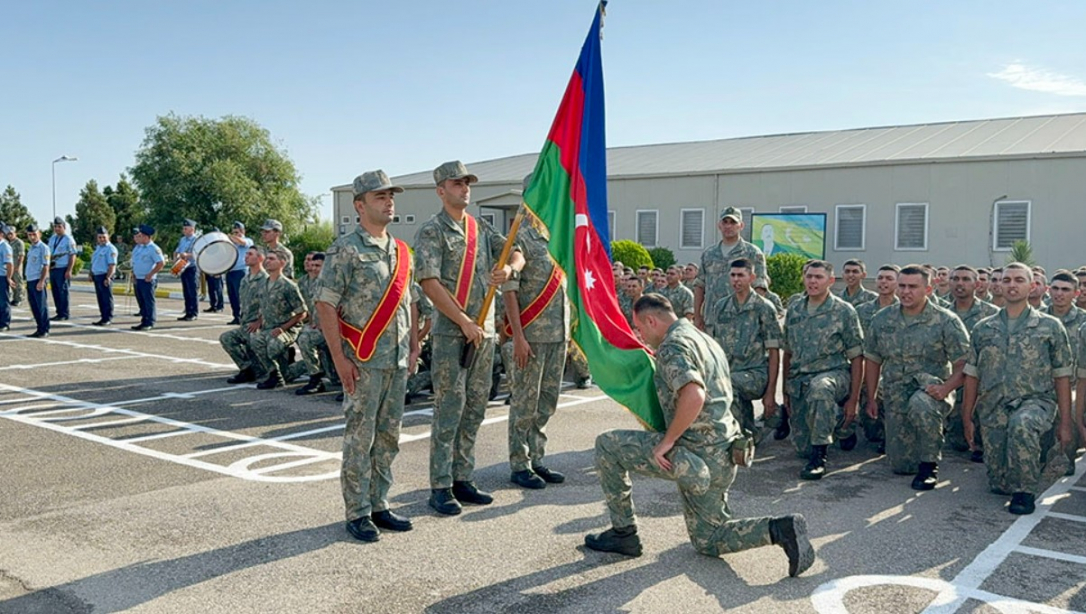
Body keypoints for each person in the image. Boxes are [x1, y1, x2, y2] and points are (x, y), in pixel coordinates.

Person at [583, 294, 815, 578]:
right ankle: (779, 529)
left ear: (652, 321)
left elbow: (694, 393)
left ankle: (623, 533)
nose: (639, 335)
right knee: (709, 539)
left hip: (695, 455)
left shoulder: (673, 347)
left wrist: (666, 442)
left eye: (640, 329)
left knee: (607, 445)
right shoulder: (702, 338)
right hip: (725, 451)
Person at [415, 160, 524, 516]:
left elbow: (516, 250)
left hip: (484, 333)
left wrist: (510, 268)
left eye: (467, 183)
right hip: (452, 334)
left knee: (476, 407)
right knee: (449, 409)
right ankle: (441, 485)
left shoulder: (479, 229)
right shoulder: (433, 231)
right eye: (457, 183)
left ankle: (463, 477)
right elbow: (429, 282)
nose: (464, 188)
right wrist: (462, 321)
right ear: (441, 190)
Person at [316, 169, 419, 543]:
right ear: (359, 205)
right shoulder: (346, 249)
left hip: (396, 360)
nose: (389, 201)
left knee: (389, 437)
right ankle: (357, 511)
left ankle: (379, 503)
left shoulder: (402, 251)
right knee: (360, 438)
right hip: (362, 361)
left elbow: (410, 301)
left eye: (390, 196)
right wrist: (340, 360)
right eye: (380, 196)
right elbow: (325, 305)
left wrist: (414, 344)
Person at [962, 262, 1074, 515]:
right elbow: (972, 374)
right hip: (994, 406)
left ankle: (1025, 491)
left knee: (1022, 425)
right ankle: (1031, 461)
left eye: (1019, 280)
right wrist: (967, 415)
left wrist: (1065, 422)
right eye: (1007, 280)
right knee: (999, 484)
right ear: (998, 285)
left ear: (1032, 286)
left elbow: (1062, 376)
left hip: (1036, 401)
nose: (1012, 285)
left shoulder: (1050, 327)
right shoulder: (983, 328)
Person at [864, 265, 970, 490]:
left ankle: (929, 465)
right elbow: (873, 359)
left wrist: (946, 389)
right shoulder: (882, 319)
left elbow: (964, 364)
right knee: (901, 465)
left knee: (921, 404)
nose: (905, 291)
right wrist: (871, 397)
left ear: (928, 289)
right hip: (895, 394)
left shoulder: (945, 320)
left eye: (913, 286)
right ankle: (913, 454)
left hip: (931, 392)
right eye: (901, 286)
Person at [503, 179, 569, 490]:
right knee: (525, 402)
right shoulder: (520, 237)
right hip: (530, 335)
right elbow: (509, 290)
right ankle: (519, 463)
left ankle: (537, 458)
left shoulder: (559, 237)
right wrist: (518, 336)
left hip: (557, 334)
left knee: (547, 401)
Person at [782, 260, 864, 480]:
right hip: (800, 379)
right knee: (801, 449)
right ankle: (841, 428)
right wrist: (785, 391)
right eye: (809, 276)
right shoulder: (795, 309)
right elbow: (788, 353)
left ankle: (819, 457)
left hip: (834, 374)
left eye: (818, 277)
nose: (813, 281)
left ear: (830, 280)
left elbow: (857, 357)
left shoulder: (843, 311)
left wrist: (853, 400)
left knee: (821, 389)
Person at [709, 258, 781, 439]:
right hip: (730, 371)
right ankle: (748, 432)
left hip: (756, 373)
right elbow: (714, 345)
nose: (736, 280)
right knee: (717, 384)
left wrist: (771, 393)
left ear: (752, 277)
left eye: (741, 275)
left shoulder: (764, 308)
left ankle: (738, 437)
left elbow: (774, 352)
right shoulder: (721, 306)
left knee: (727, 385)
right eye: (732, 275)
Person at [946, 265, 997, 455]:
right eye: (956, 279)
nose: (960, 283)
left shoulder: (991, 314)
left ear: (976, 284)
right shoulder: (941, 313)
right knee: (957, 444)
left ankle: (981, 440)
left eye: (966, 279)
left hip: (982, 378)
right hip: (952, 377)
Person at [694, 207, 766, 331]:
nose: (728, 226)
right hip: (712, 321)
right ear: (719, 225)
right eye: (725, 222)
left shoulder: (752, 253)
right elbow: (700, 285)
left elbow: (759, 287)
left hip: (741, 322)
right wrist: (697, 317)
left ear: (741, 225)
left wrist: (755, 317)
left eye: (733, 222)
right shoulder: (709, 254)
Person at [855, 264, 901, 451]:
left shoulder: (904, 310)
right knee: (870, 432)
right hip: (866, 365)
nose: (884, 282)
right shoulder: (862, 310)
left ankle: (890, 434)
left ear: (898, 283)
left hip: (893, 368)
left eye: (889, 278)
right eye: (881, 278)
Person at [250, 248, 307, 390]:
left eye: (271, 259)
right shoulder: (263, 283)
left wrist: (283, 328)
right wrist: (259, 321)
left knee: (273, 345)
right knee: (255, 340)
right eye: (267, 259)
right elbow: (265, 306)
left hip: (287, 328)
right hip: (269, 327)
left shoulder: (289, 286)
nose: (267, 261)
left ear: (282, 263)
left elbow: (302, 313)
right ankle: (275, 375)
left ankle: (304, 365)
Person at [221, 246, 269, 384]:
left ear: (260, 258)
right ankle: (247, 369)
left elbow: (269, 305)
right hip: (246, 323)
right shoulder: (245, 279)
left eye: (250, 254)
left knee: (253, 341)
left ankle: (265, 370)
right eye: (246, 253)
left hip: (259, 325)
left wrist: (259, 321)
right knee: (227, 338)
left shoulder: (265, 280)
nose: (246, 256)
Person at [296, 252, 332, 395]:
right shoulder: (307, 282)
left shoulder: (331, 283)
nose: (314, 268)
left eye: (318, 265)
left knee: (305, 339)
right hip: (317, 328)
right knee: (304, 335)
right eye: (313, 265)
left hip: (333, 329)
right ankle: (316, 375)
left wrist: (326, 324)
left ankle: (316, 378)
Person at [130, 225, 165, 330]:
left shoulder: (153, 248)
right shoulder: (138, 248)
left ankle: (149, 321)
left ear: (146, 237)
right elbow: (135, 262)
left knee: (148, 301)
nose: (138, 238)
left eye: (140, 236)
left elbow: (161, 263)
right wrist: (134, 274)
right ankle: (144, 321)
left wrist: (151, 274)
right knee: (142, 301)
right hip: (138, 278)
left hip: (148, 279)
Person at [23, 224, 51, 337]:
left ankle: (44, 329)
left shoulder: (43, 248)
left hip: (37, 280)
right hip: (30, 280)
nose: (32, 237)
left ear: (39, 234)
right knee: (34, 306)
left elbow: (46, 266)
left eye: (34, 234)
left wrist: (41, 281)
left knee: (41, 306)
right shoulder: (31, 248)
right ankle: (39, 328)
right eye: (30, 235)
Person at [48, 217, 77, 321]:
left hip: (63, 268)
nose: (57, 229)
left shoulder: (68, 239)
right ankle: (59, 312)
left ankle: (64, 313)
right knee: (55, 291)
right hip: (53, 268)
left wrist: (69, 270)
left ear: (64, 227)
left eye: (59, 226)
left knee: (62, 291)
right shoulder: (52, 239)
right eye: (55, 227)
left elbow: (72, 255)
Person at [89, 226, 117, 326]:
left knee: (106, 298)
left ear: (108, 236)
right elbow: (93, 262)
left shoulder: (110, 249)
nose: (102, 239)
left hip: (105, 276)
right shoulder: (98, 248)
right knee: (100, 298)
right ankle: (103, 317)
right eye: (100, 237)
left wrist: (108, 277)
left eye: (104, 237)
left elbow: (112, 265)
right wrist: (90, 273)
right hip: (97, 275)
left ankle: (108, 317)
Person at [226, 221, 253, 324]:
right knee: (232, 295)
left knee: (240, 295)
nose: (235, 234)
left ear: (243, 231)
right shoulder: (232, 244)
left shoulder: (248, 241)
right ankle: (236, 316)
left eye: (237, 232)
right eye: (234, 232)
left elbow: (242, 242)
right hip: (230, 271)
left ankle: (244, 317)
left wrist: (230, 236)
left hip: (241, 271)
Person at [175, 219, 200, 321]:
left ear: (192, 229)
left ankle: (194, 312)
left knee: (192, 291)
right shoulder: (182, 240)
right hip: (183, 267)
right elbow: (177, 250)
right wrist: (175, 258)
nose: (184, 230)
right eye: (183, 228)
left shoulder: (197, 240)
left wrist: (187, 255)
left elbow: (198, 253)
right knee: (186, 291)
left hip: (192, 267)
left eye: (186, 228)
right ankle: (188, 311)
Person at [6, 225, 24, 307]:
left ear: (15, 233)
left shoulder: (19, 242)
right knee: (12, 283)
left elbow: (21, 255)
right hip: (10, 266)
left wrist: (19, 266)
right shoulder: (8, 243)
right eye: (8, 234)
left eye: (11, 234)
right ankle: (15, 298)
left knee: (18, 282)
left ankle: (19, 299)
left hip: (17, 265)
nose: (10, 235)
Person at [0, 225, 12, 331]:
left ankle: (5, 323)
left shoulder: (5, 246)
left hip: (2, 276)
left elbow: (9, 264)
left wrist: (9, 277)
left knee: (3, 300)